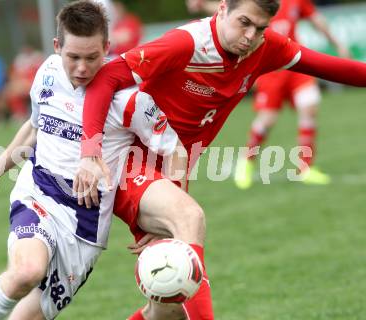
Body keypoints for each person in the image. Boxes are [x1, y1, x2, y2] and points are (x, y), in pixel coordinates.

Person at [75, 0, 366, 318]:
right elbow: (106, 78)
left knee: (168, 309)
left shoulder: (265, 47)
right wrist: (89, 153)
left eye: (260, 28)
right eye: (244, 22)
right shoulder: (187, 43)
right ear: (223, 9)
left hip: (172, 171)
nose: (250, 35)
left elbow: (336, 68)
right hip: (127, 163)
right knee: (190, 221)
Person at [0, 2, 181, 319]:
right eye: (72, 57)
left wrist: (167, 218)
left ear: (107, 47)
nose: (81, 68)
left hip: (85, 227)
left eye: (92, 57)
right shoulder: (47, 72)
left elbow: (175, 150)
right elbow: (34, 128)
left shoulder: (131, 99)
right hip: (39, 195)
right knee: (26, 271)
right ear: (57, 47)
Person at [232, 0, 350, 189]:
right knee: (267, 120)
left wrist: (337, 44)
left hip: (296, 64)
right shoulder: (258, 3)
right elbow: (232, 12)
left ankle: (305, 168)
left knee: (309, 108)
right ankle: (246, 160)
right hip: (271, 69)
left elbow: (316, 20)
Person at [5, 44, 44, 121]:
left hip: (35, 83)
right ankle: (19, 114)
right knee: (10, 90)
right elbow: (14, 74)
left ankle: (39, 113)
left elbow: (41, 74)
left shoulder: (38, 57)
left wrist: (27, 83)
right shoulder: (19, 59)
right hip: (22, 84)